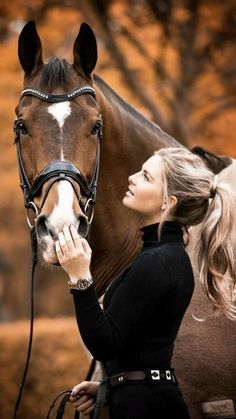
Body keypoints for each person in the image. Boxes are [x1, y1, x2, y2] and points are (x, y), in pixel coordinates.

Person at [55, 147, 236, 419]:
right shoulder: (162, 256)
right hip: (145, 401)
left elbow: (105, 343)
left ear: (168, 202)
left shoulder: (159, 262)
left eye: (146, 176)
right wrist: (114, 384)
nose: (131, 177)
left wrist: (80, 276)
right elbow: (140, 345)